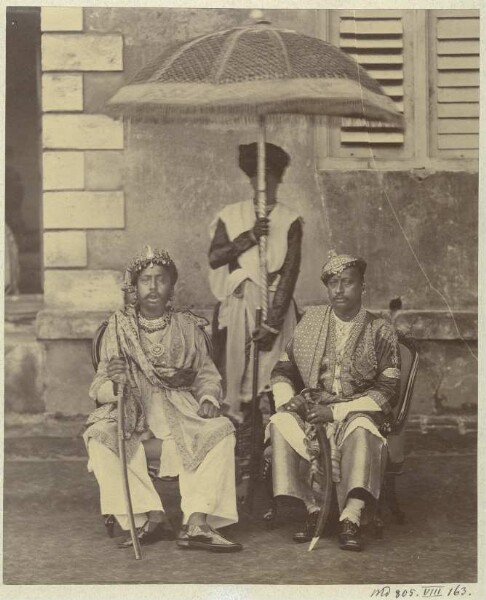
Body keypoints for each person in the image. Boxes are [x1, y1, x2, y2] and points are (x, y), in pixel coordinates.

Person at [84, 246, 242, 553]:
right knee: (99, 438)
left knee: (222, 432)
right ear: (135, 286)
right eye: (146, 280)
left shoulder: (187, 326)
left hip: (181, 411)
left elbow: (206, 373)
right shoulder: (118, 327)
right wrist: (114, 385)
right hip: (134, 412)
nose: (153, 287)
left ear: (171, 285)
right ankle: (149, 517)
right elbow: (99, 384)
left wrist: (208, 397)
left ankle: (196, 522)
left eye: (160, 279)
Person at [269, 252, 401, 551]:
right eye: (333, 283)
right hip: (314, 405)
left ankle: (350, 516)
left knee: (362, 430)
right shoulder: (311, 322)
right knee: (280, 424)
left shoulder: (380, 330)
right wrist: (289, 401)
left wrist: (337, 411)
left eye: (347, 283)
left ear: (362, 287)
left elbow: (388, 389)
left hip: (359, 408)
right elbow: (283, 369)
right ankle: (315, 510)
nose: (339, 290)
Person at [208, 142, 303, 421]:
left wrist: (273, 323)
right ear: (249, 179)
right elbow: (215, 257)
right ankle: (242, 445)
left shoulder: (290, 220)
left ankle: (274, 449)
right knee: (239, 380)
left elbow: (290, 272)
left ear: (278, 179)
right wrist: (249, 237)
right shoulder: (231, 215)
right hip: (239, 306)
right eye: (257, 178)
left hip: (275, 307)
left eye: (269, 178)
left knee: (275, 382)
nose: (263, 184)